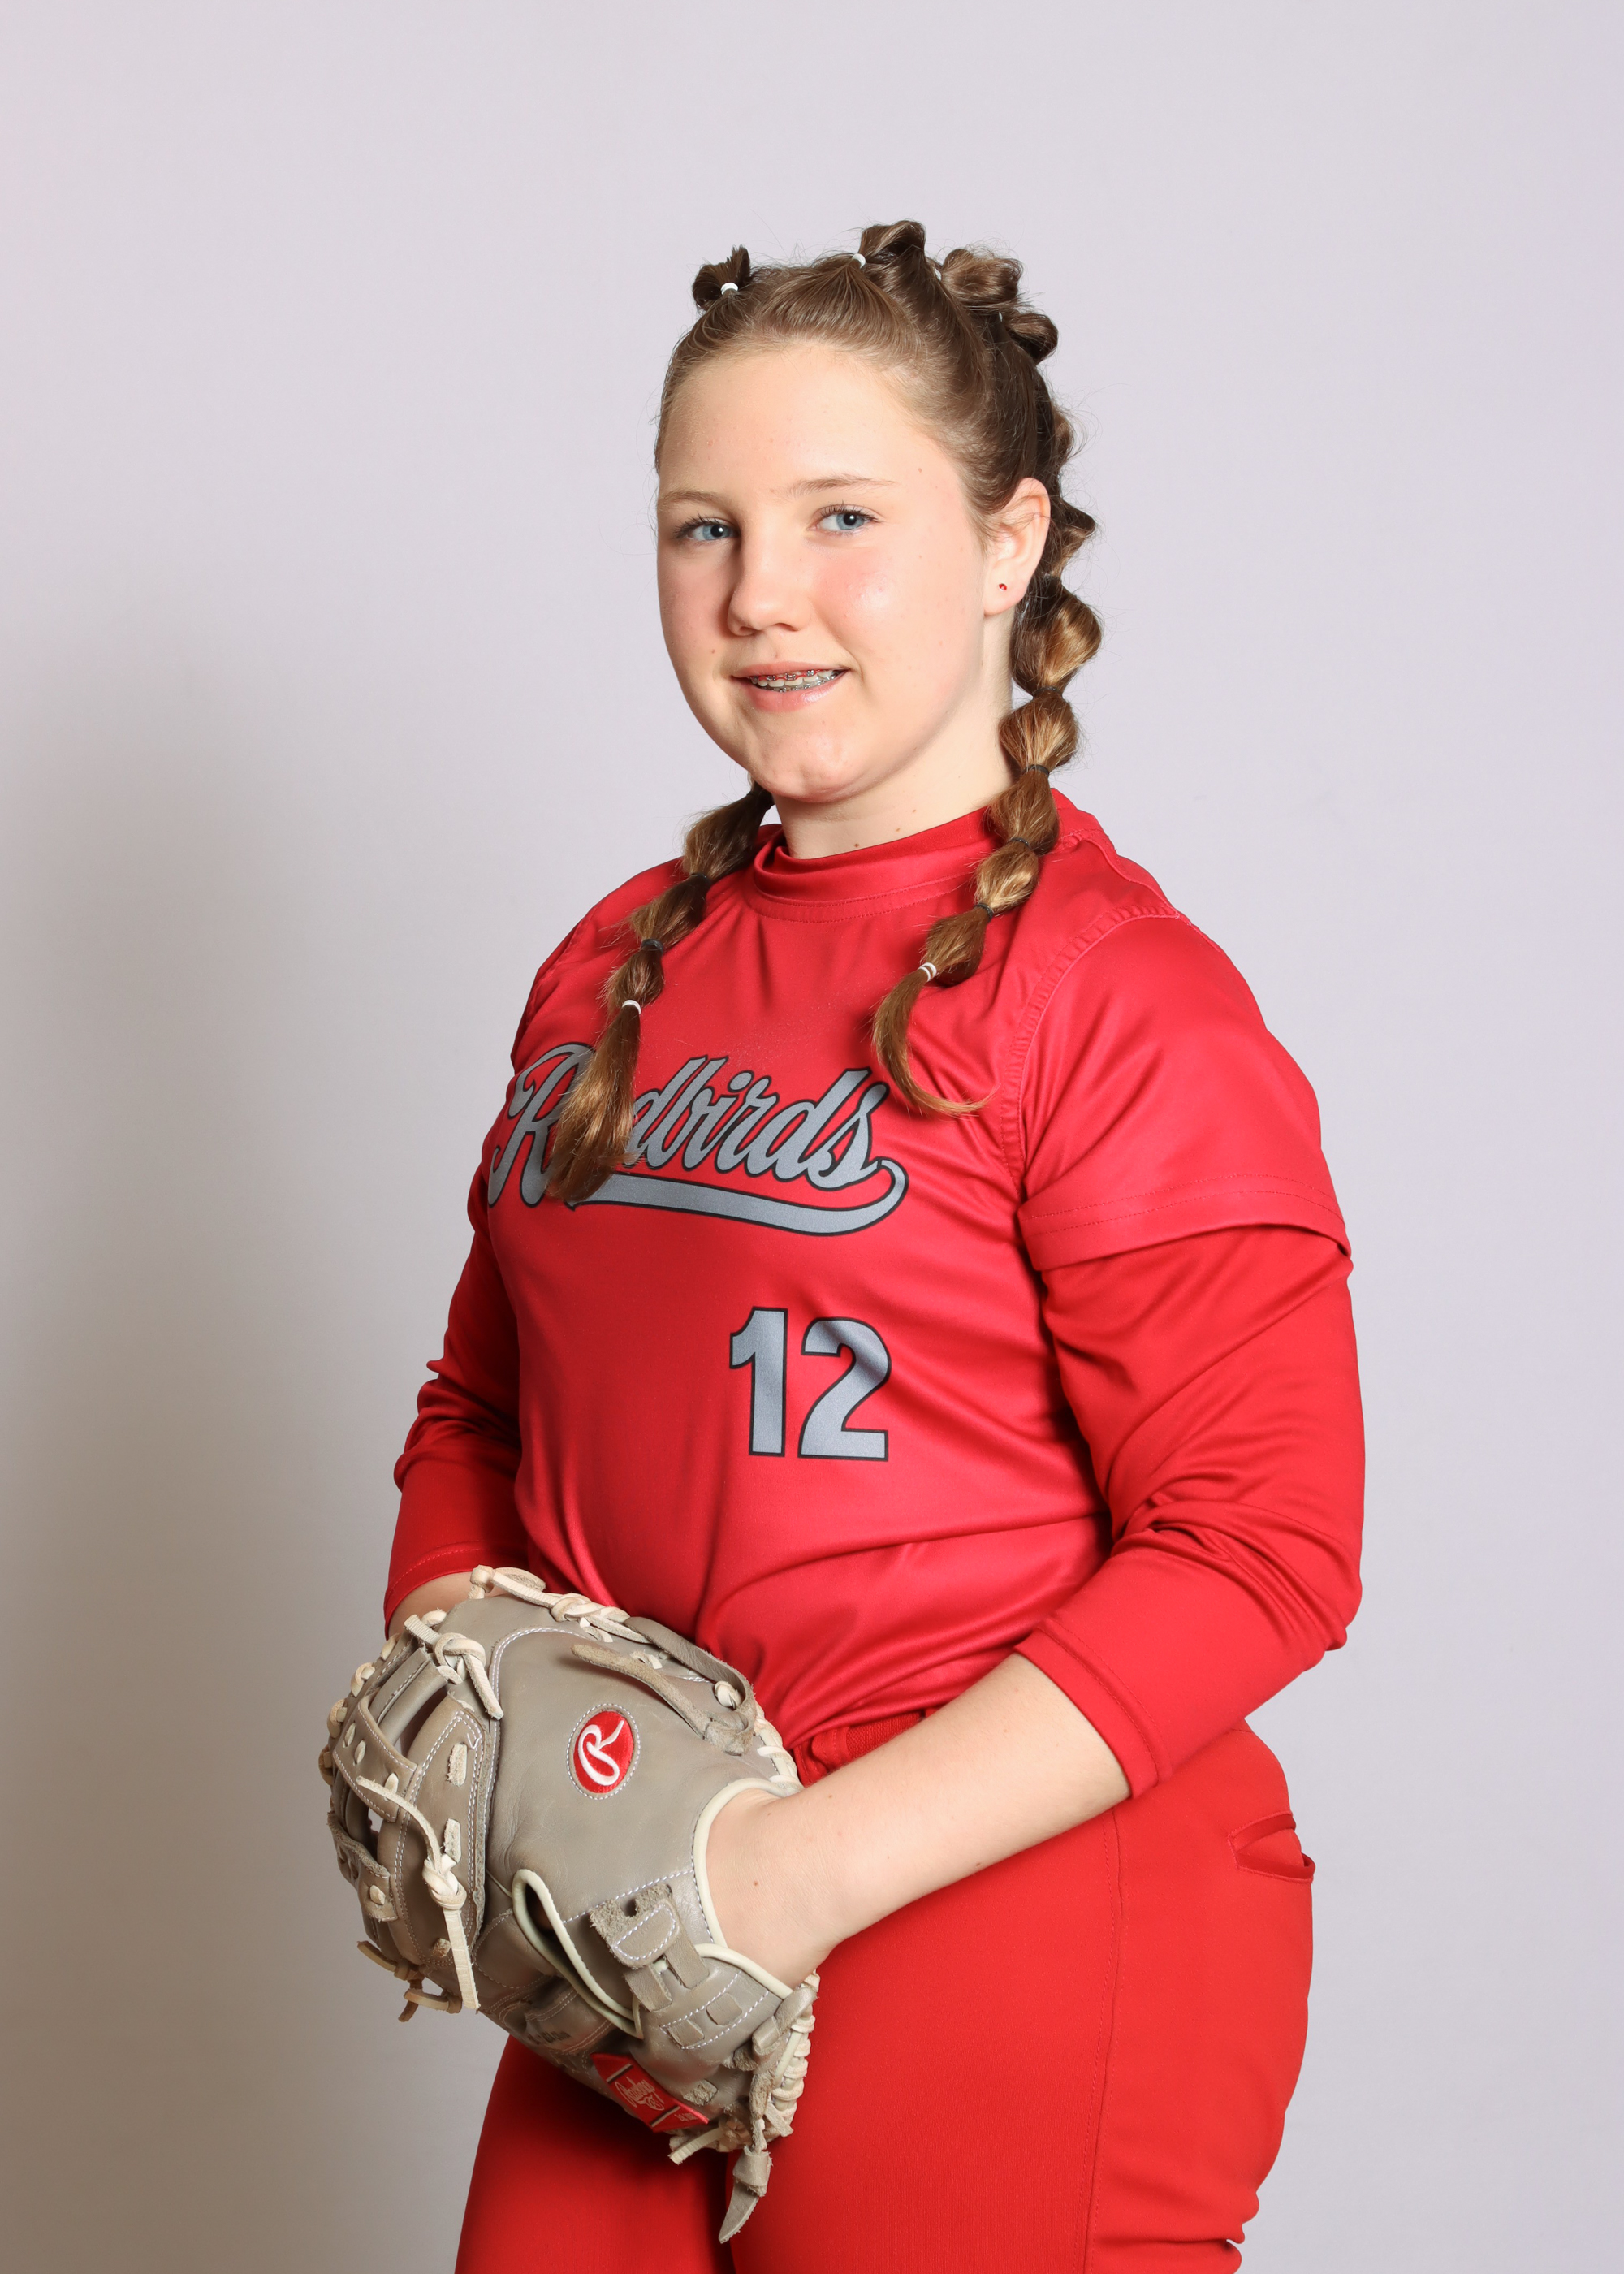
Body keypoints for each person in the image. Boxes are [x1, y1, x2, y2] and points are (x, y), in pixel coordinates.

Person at [384, 219, 1364, 2272]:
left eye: (843, 516)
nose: (760, 593)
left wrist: (792, 1874)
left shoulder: (1121, 996)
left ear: (1009, 542)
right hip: (642, 1900)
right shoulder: (612, 966)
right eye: (704, 527)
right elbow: (486, 1396)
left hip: (1002, 1895)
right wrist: (478, 1711)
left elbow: (1263, 1544)